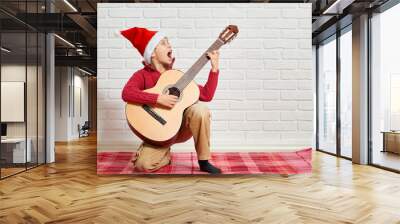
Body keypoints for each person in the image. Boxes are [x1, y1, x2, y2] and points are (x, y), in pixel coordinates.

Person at [120, 27, 221, 174]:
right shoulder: (141, 75)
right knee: (142, 166)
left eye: (168, 42)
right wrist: (158, 98)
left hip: (181, 127)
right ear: (152, 53)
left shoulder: (177, 77)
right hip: (158, 131)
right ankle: (164, 154)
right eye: (163, 43)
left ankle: (204, 161)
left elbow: (206, 95)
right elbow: (127, 93)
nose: (169, 46)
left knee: (200, 110)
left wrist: (214, 68)